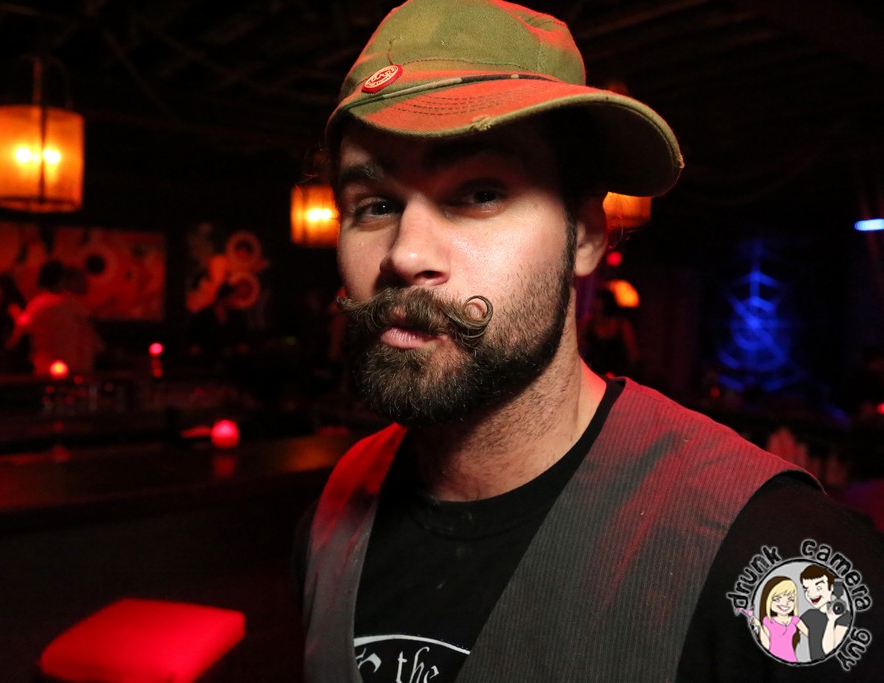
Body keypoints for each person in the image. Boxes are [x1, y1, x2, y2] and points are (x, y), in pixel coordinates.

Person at [295, 1, 884, 681]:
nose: (405, 254)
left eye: (479, 193)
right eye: (375, 205)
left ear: (585, 237)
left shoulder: (768, 555)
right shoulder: (334, 511)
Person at [9, 260, 103, 376]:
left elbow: (20, 332)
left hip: (45, 367)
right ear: (62, 279)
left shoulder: (35, 306)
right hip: (74, 367)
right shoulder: (73, 305)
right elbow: (89, 334)